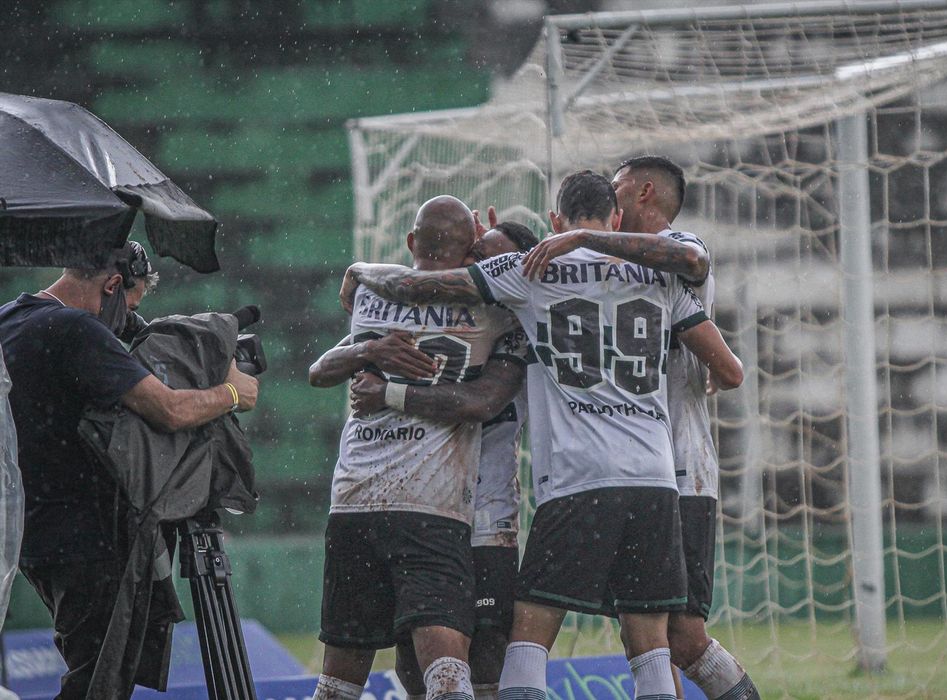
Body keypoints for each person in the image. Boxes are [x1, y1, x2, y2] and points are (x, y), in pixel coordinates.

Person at [338, 171, 744, 700]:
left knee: (527, 638)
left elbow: (424, 285)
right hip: (656, 480)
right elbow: (727, 364)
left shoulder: (531, 271)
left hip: (578, 479)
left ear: (555, 221)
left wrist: (361, 271)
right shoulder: (660, 273)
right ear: (615, 219)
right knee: (652, 645)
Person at [523, 155, 761, 698]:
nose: (607, 202)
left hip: (678, 465)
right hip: (635, 467)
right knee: (643, 632)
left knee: (682, 635)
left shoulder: (684, 247)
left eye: (616, 188)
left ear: (644, 191)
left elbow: (728, 366)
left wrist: (578, 239)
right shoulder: (617, 269)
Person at [0, 241, 260, 700]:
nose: (125, 322)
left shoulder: (11, 319)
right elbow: (169, 410)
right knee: (99, 684)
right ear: (113, 284)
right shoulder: (75, 328)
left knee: (89, 666)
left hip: (32, 530)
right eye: (128, 307)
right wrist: (231, 392)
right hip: (86, 537)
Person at [308, 197, 525, 700]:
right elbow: (481, 400)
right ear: (472, 250)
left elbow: (318, 372)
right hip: (429, 508)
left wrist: (369, 353)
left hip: (352, 502)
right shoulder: (493, 308)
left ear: (411, 242)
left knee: (337, 681)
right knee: (449, 677)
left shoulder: (370, 292)